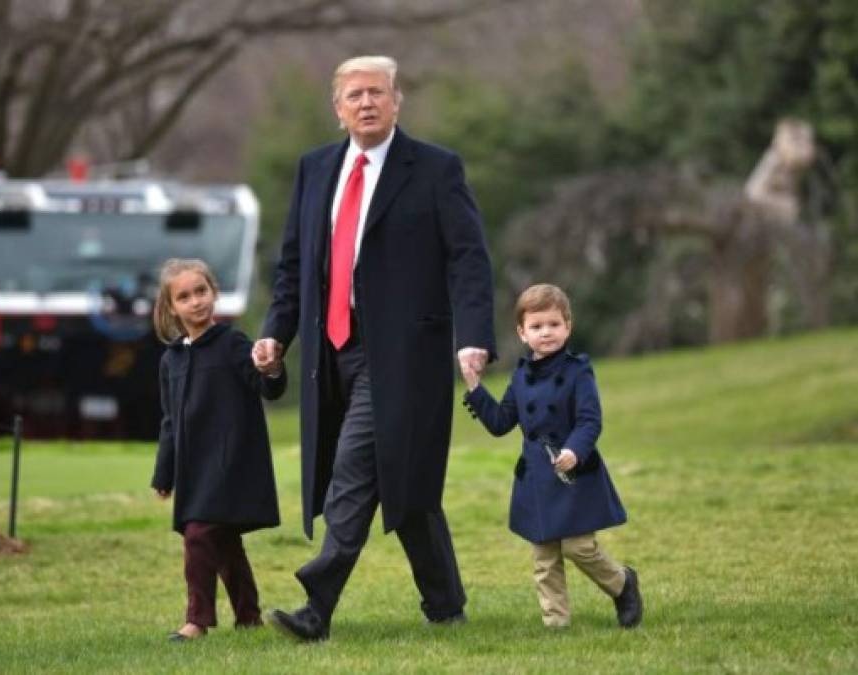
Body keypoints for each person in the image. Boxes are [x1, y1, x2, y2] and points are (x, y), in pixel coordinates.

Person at [252, 55, 496, 641]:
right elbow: (294, 266)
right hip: (326, 353)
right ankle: (445, 603)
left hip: (402, 355)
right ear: (338, 110)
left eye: (377, 93)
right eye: (355, 95)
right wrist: (273, 332)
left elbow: (468, 258)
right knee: (405, 484)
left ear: (396, 102)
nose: (367, 103)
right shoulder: (315, 170)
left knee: (354, 470)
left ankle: (317, 605)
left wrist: (474, 338)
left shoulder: (435, 169)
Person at [461, 284, 643, 629]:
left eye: (554, 324)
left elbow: (590, 420)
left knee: (579, 548)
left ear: (568, 327)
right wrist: (474, 388)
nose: (546, 332)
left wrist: (574, 450)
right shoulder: (521, 376)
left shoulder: (579, 370)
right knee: (544, 556)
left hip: (573, 473)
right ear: (522, 332)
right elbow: (501, 423)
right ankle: (556, 622)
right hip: (537, 478)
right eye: (537, 326)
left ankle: (622, 584)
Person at [150, 258, 286, 641]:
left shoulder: (233, 343)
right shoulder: (171, 360)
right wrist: (164, 473)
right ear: (170, 307)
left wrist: (271, 368)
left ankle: (197, 620)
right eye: (184, 296)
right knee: (223, 541)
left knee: (198, 534)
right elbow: (170, 422)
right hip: (195, 468)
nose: (195, 301)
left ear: (214, 293)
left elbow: (267, 388)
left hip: (231, 463)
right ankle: (248, 617)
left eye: (201, 291)